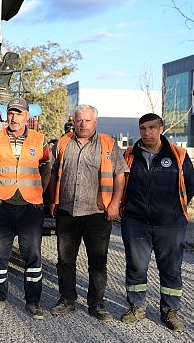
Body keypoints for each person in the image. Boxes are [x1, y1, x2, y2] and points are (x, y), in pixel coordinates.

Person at [48, 104, 127, 321]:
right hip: (67, 212)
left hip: (98, 213)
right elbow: (54, 173)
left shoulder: (108, 144)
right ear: (73, 121)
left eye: (87, 120)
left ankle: (97, 304)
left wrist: (114, 204)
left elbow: (120, 176)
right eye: (79, 120)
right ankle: (67, 299)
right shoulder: (63, 142)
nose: (82, 124)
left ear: (95, 122)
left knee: (97, 262)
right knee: (65, 261)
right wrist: (53, 200)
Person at [120, 113, 194, 332]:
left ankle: (169, 311)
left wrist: (173, 209)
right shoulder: (129, 155)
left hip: (170, 224)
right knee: (136, 267)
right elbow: (121, 183)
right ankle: (137, 306)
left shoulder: (178, 155)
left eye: (152, 127)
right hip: (136, 222)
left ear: (161, 128)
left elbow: (190, 185)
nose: (147, 132)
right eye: (143, 128)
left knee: (171, 269)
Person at [0, 99, 50, 319]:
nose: (14, 118)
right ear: (6, 116)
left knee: (32, 255)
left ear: (26, 116)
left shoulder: (40, 140)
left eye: (19, 114)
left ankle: (33, 301)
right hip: (3, 205)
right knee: (0, 254)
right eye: (11, 113)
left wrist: (39, 192)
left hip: (31, 207)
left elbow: (47, 169)